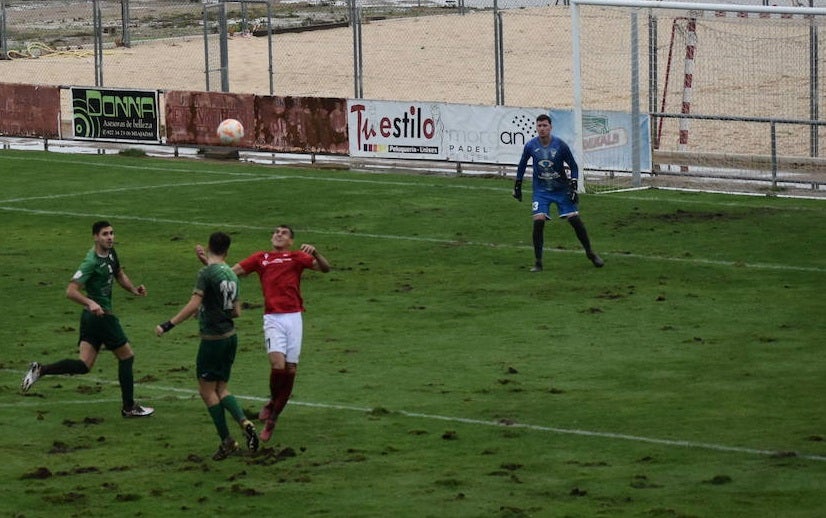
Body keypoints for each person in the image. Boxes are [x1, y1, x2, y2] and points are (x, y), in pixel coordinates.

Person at [197, 225, 330, 443]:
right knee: (278, 365)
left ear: (291, 241)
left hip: (294, 316)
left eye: (284, 233)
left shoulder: (297, 257)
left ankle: (273, 416)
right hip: (273, 318)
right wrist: (207, 263)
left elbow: (325, 268)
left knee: (291, 369)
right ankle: (273, 402)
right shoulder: (261, 258)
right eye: (276, 232)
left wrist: (315, 253)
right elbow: (229, 273)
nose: (278, 234)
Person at [21, 220, 154, 418]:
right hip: (101, 317)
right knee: (127, 356)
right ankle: (129, 407)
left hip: (91, 319)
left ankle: (41, 369)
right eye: (105, 234)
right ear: (95, 237)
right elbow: (71, 291)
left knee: (84, 365)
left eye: (111, 233)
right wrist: (90, 302)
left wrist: (133, 289)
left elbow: (119, 274)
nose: (110, 237)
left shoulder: (111, 253)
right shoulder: (91, 262)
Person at [156, 231, 258, 461]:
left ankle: (228, 441)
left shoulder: (205, 273)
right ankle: (245, 422)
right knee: (222, 388)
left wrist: (168, 325)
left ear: (209, 246)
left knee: (207, 391)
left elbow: (194, 303)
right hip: (230, 337)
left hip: (212, 341)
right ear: (227, 251)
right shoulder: (231, 274)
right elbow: (236, 312)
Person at [512, 114, 604, 272]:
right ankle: (538, 262)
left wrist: (573, 185)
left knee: (574, 220)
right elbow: (521, 165)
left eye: (545, 126)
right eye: (539, 126)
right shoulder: (530, 146)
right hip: (541, 191)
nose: (542, 129)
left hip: (561, 190)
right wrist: (518, 186)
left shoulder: (560, 145)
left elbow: (573, 166)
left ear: (550, 127)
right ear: (536, 127)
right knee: (538, 221)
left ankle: (590, 253)